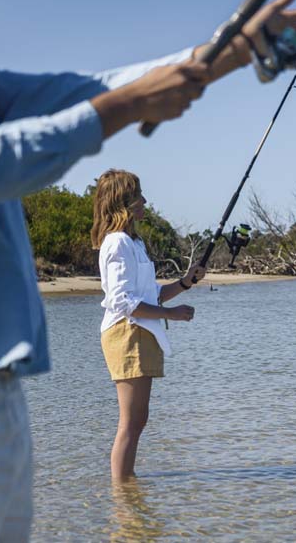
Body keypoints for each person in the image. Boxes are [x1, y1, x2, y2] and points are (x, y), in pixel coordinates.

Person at [0, 0, 296, 539]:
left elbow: (91, 86)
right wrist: (128, 105)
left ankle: (129, 519)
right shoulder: (115, 240)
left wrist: (229, 52)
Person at [92, 170, 201, 481]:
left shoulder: (133, 243)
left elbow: (151, 294)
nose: (144, 201)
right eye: (138, 196)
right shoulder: (117, 243)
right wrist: (172, 314)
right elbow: (122, 302)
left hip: (142, 332)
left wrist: (185, 283)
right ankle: (122, 492)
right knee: (130, 421)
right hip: (127, 334)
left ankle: (128, 487)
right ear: (123, 202)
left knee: (139, 419)